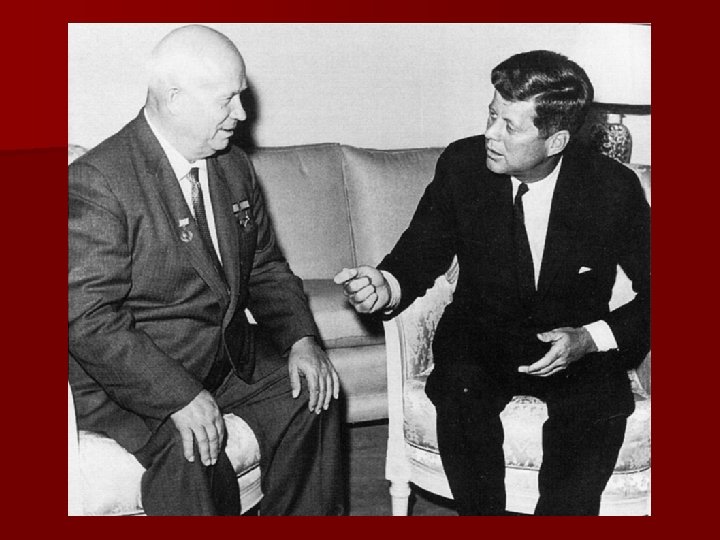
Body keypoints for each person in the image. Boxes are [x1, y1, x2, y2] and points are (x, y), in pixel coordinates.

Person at [335, 50, 650, 516]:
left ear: (556, 140)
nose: (490, 134)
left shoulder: (610, 187)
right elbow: (420, 252)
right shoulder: (462, 165)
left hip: (574, 344)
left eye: (510, 127)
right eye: (491, 115)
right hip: (481, 336)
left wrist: (590, 338)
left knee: (592, 414)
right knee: (459, 393)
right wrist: (386, 284)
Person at [68, 24, 343, 516]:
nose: (242, 114)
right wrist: (176, 396)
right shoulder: (100, 182)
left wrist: (302, 340)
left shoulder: (232, 166)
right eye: (226, 100)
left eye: (240, 96)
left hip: (223, 360)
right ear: (175, 99)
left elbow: (264, 267)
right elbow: (89, 319)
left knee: (315, 393)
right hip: (131, 380)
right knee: (193, 451)